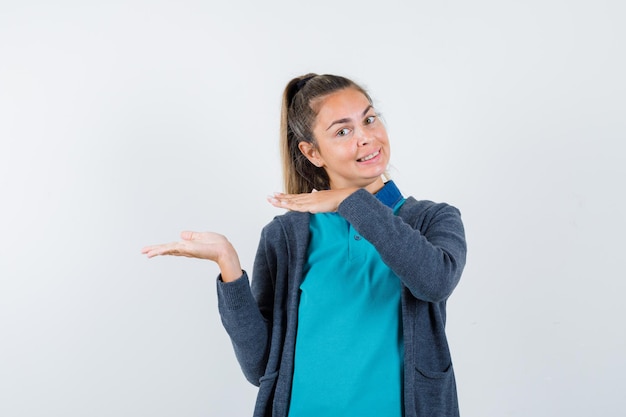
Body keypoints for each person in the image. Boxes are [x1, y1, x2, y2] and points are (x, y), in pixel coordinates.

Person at [141, 73, 467, 417]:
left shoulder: (433, 219)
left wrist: (351, 201)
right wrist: (228, 265)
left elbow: (434, 281)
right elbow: (261, 366)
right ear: (312, 152)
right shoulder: (284, 237)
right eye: (343, 131)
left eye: (369, 119)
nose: (366, 138)